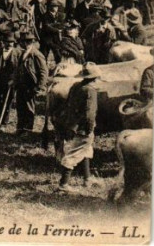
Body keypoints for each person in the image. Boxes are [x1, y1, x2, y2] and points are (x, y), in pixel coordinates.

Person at [55, 64, 99, 192]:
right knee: (73, 154)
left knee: (86, 150)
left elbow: (68, 104)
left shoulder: (75, 86)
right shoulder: (90, 91)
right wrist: (89, 128)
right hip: (82, 127)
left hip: (72, 124)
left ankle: (87, 179)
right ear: (94, 77)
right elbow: (89, 113)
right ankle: (63, 184)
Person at [12, 31, 48, 135]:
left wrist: (40, 87)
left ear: (30, 42)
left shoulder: (36, 54)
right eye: (22, 42)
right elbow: (17, 69)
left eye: (26, 42)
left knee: (29, 108)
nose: (23, 44)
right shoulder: (22, 53)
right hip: (21, 85)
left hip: (30, 86)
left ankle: (28, 129)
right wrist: (14, 80)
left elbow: (44, 72)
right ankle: (20, 128)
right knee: (20, 107)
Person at [0, 31, 20, 125]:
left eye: (11, 42)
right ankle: (1, 116)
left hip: (9, 82)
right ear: (3, 42)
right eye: (7, 42)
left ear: (14, 43)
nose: (9, 44)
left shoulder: (17, 53)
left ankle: (4, 122)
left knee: (7, 102)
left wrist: (14, 79)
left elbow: (18, 69)